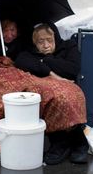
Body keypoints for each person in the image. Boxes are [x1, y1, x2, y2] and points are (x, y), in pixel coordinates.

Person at [14, 23, 88, 164]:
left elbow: (72, 69)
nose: (46, 45)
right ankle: (60, 143)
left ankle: (79, 142)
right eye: (41, 42)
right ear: (35, 43)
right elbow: (21, 61)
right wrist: (51, 73)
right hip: (48, 91)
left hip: (69, 89)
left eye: (49, 40)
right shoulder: (29, 53)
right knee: (50, 98)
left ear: (55, 38)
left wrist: (46, 60)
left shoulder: (68, 47)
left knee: (66, 97)